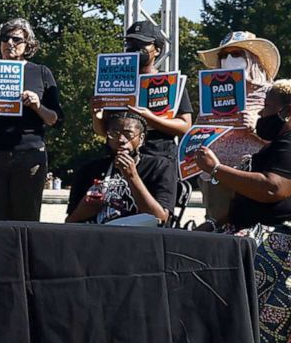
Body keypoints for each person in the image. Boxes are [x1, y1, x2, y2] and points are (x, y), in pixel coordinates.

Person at [0, 18, 63, 222]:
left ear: (28, 45)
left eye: (16, 39)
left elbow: (56, 119)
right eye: (4, 38)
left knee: (27, 219)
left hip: (29, 155)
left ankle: (28, 255)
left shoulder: (41, 72)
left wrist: (37, 105)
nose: (10, 43)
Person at [195, 31, 281, 226]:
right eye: (223, 55)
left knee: (253, 236)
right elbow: (199, 131)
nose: (229, 59)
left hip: (256, 178)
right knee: (219, 236)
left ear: (252, 58)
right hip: (216, 178)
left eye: (236, 53)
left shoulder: (273, 93)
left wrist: (256, 128)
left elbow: (286, 141)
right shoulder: (211, 91)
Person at [189, 80, 291, 231]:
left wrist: (216, 168)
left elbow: (273, 188)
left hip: (270, 242)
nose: (261, 113)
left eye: (267, 106)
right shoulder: (276, 144)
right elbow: (249, 205)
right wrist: (214, 224)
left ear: (287, 112)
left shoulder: (288, 143)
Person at [92, 20, 192, 170]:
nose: (134, 48)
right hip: (119, 159)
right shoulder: (113, 81)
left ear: (157, 49)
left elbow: (185, 126)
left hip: (159, 159)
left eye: (141, 43)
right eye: (130, 43)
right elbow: (102, 131)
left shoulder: (171, 83)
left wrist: (150, 118)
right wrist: (96, 115)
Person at [66, 110, 176, 227]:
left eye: (129, 135)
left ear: (141, 139)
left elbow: (160, 218)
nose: (121, 140)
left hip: (140, 239)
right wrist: (84, 210)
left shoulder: (160, 167)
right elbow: (69, 223)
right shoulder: (88, 170)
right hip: (98, 237)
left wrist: (132, 177)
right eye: (114, 134)